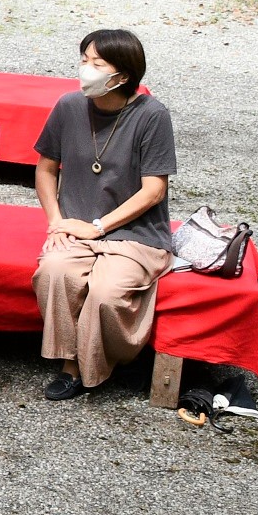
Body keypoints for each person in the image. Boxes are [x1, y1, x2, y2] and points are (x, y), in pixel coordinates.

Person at [32, 29, 176, 402]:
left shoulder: (152, 115)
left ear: (122, 76)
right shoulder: (68, 106)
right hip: (76, 227)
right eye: (83, 60)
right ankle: (70, 366)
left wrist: (98, 227)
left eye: (97, 64)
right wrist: (56, 221)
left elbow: (153, 189)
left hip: (134, 234)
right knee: (53, 272)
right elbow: (46, 169)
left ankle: (107, 361)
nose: (86, 70)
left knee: (106, 293)